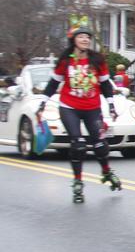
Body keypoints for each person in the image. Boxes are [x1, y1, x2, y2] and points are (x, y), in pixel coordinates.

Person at [38, 21, 122, 203]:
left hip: (92, 107)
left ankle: (106, 171)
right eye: (81, 36)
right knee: (78, 145)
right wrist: (43, 102)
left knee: (100, 144)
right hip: (70, 107)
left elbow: (105, 84)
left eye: (87, 37)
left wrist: (111, 104)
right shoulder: (65, 60)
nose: (85, 40)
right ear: (74, 40)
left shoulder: (97, 60)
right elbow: (53, 84)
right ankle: (77, 182)